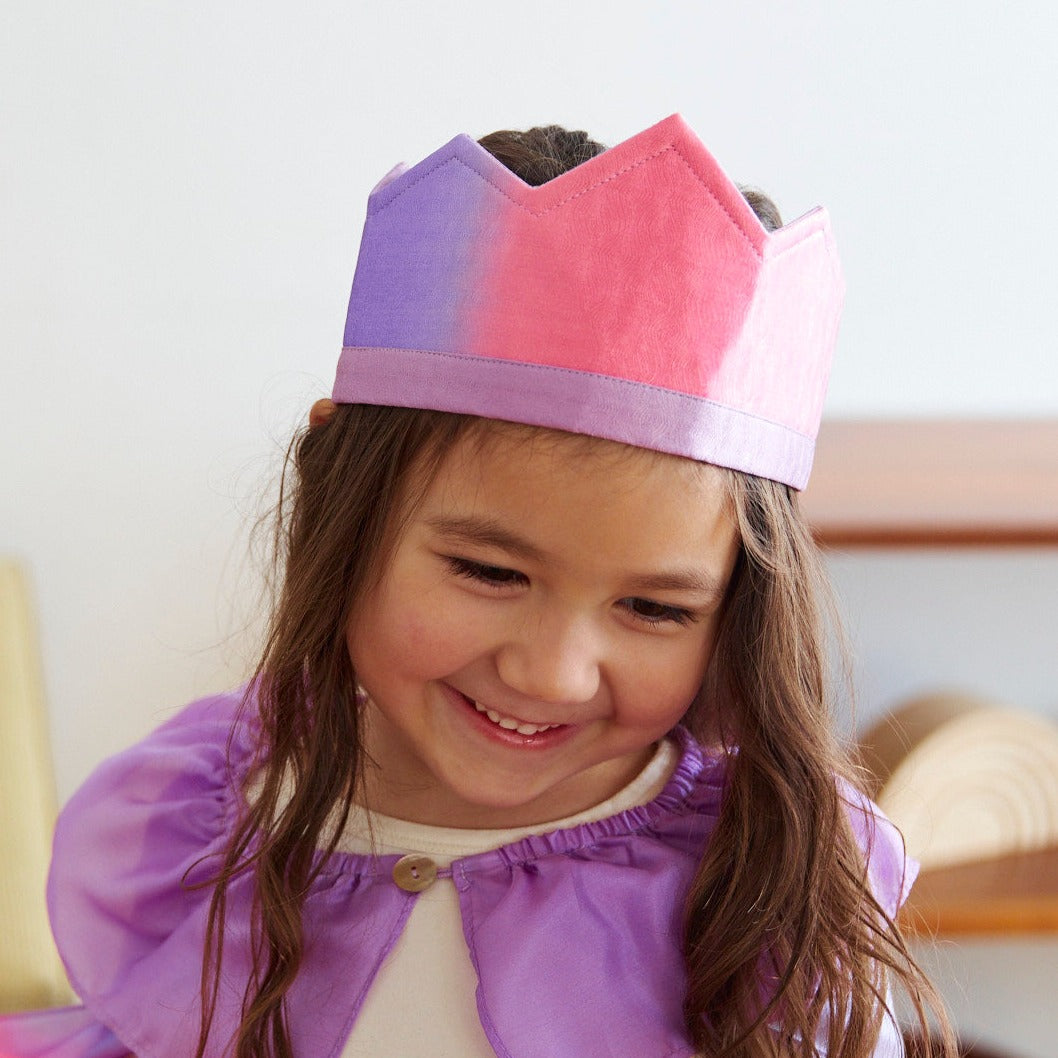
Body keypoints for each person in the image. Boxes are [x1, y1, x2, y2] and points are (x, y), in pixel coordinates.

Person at [0, 115, 954, 1058]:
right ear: (344, 500)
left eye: (654, 608)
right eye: (490, 572)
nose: (551, 675)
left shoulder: (764, 889)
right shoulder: (198, 822)